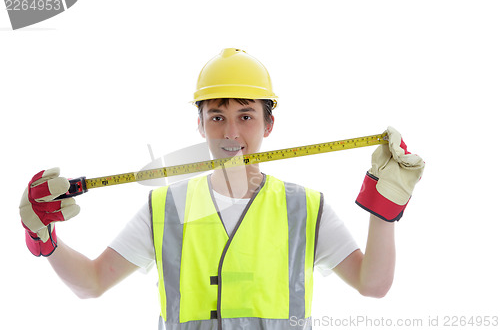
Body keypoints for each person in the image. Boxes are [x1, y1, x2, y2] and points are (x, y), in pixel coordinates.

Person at [19, 48, 425, 330]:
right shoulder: (166, 208)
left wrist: (383, 210)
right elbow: (91, 283)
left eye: (246, 116)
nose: (231, 133)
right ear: (200, 124)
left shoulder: (305, 208)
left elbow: (373, 285)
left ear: (268, 125)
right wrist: (44, 239)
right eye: (217, 117)